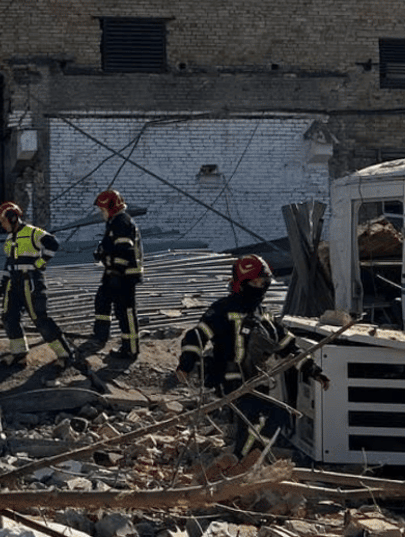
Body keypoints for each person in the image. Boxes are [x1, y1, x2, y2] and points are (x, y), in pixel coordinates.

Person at [175, 255, 329, 457]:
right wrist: (186, 364)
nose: (259, 287)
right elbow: (197, 336)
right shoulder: (222, 309)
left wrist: (314, 371)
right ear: (240, 283)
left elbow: (289, 347)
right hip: (230, 378)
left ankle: (243, 457)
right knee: (257, 417)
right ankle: (241, 460)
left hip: (257, 380)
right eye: (254, 283)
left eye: (262, 283)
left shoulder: (264, 315)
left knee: (269, 419)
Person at [0, 201, 74, 368]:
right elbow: (9, 262)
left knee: (40, 318)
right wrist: (3, 282)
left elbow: (53, 243)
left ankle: (65, 354)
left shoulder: (32, 232)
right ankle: (19, 355)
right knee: (9, 317)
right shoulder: (9, 238)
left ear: (12, 218)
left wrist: (40, 263)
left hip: (30, 282)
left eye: (3, 221)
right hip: (14, 283)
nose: (2, 225)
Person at [90, 189, 144, 358]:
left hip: (124, 276)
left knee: (125, 311)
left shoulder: (122, 222)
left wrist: (116, 272)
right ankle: (100, 336)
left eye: (103, 210)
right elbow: (111, 246)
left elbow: (124, 250)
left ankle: (131, 349)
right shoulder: (115, 222)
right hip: (114, 273)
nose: (102, 214)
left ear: (111, 208)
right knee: (102, 301)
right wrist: (102, 253)